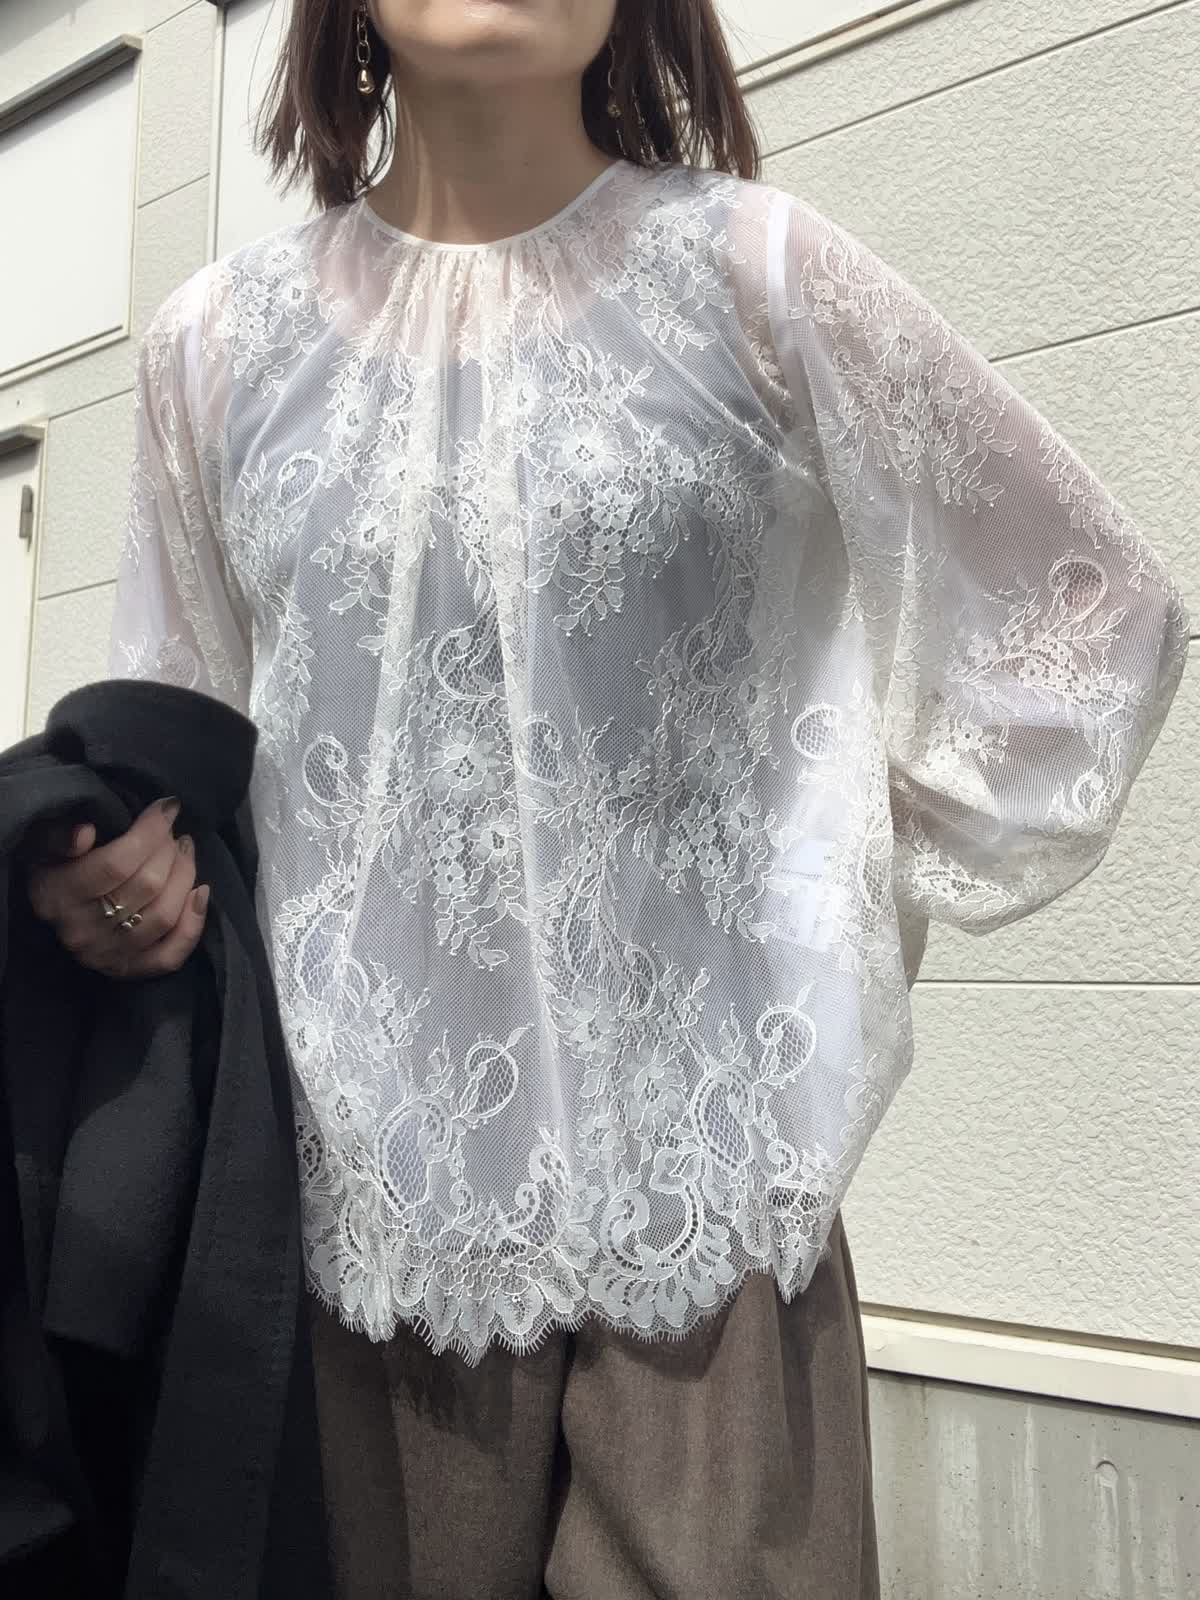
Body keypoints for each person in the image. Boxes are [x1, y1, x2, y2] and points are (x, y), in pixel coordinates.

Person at [28, 2, 1188, 1596]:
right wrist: (116, 888)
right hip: (355, 1241)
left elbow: (1087, 607)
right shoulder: (218, 350)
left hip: (708, 1238)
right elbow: (190, 741)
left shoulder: (756, 274)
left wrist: (834, 883)